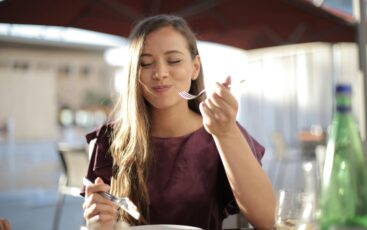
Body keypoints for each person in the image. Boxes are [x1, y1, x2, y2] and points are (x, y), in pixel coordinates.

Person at [82, 14, 275, 230]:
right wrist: (96, 222)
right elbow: (100, 221)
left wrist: (226, 132)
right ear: (134, 74)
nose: (160, 73)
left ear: (195, 67)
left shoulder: (221, 131)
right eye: (145, 63)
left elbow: (267, 220)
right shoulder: (108, 139)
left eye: (173, 60)